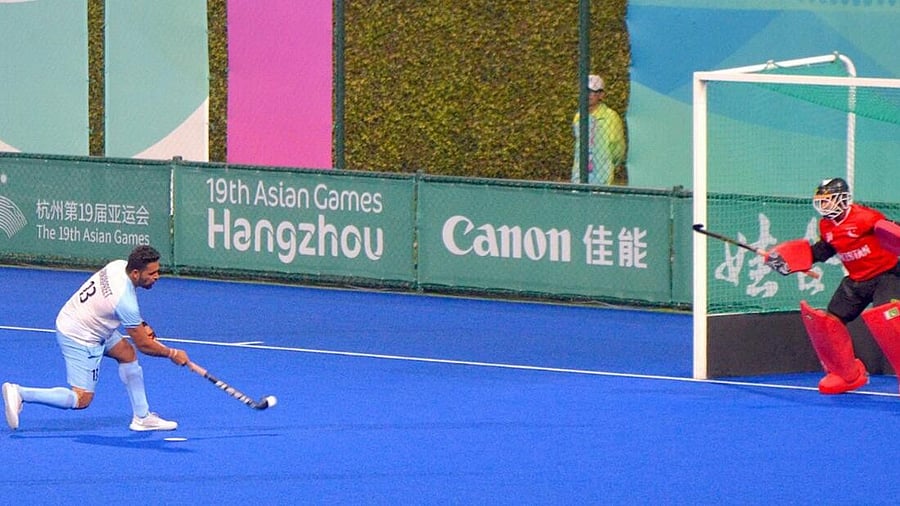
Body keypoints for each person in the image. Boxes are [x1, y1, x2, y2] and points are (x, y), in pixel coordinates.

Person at [2, 245, 190, 431]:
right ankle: (20, 393)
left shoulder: (117, 266)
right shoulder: (125, 301)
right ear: (135, 273)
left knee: (126, 353)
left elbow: (117, 310)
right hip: (80, 335)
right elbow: (144, 344)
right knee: (82, 398)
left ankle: (142, 418)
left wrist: (142, 324)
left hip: (81, 317)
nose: (157, 277)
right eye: (152, 273)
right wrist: (172, 353)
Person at [764, 177, 900, 394]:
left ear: (841, 199)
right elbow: (823, 250)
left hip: (887, 276)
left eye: (827, 200)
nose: (823, 205)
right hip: (856, 280)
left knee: (889, 321)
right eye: (821, 201)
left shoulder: (867, 217)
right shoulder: (826, 225)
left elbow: (892, 234)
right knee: (830, 322)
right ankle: (848, 375)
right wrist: (790, 261)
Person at [571, 74, 627, 185]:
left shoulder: (611, 117)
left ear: (601, 95)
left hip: (602, 175)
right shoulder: (578, 116)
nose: (588, 95)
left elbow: (618, 148)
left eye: (593, 91)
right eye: (585, 90)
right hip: (578, 174)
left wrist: (607, 163)